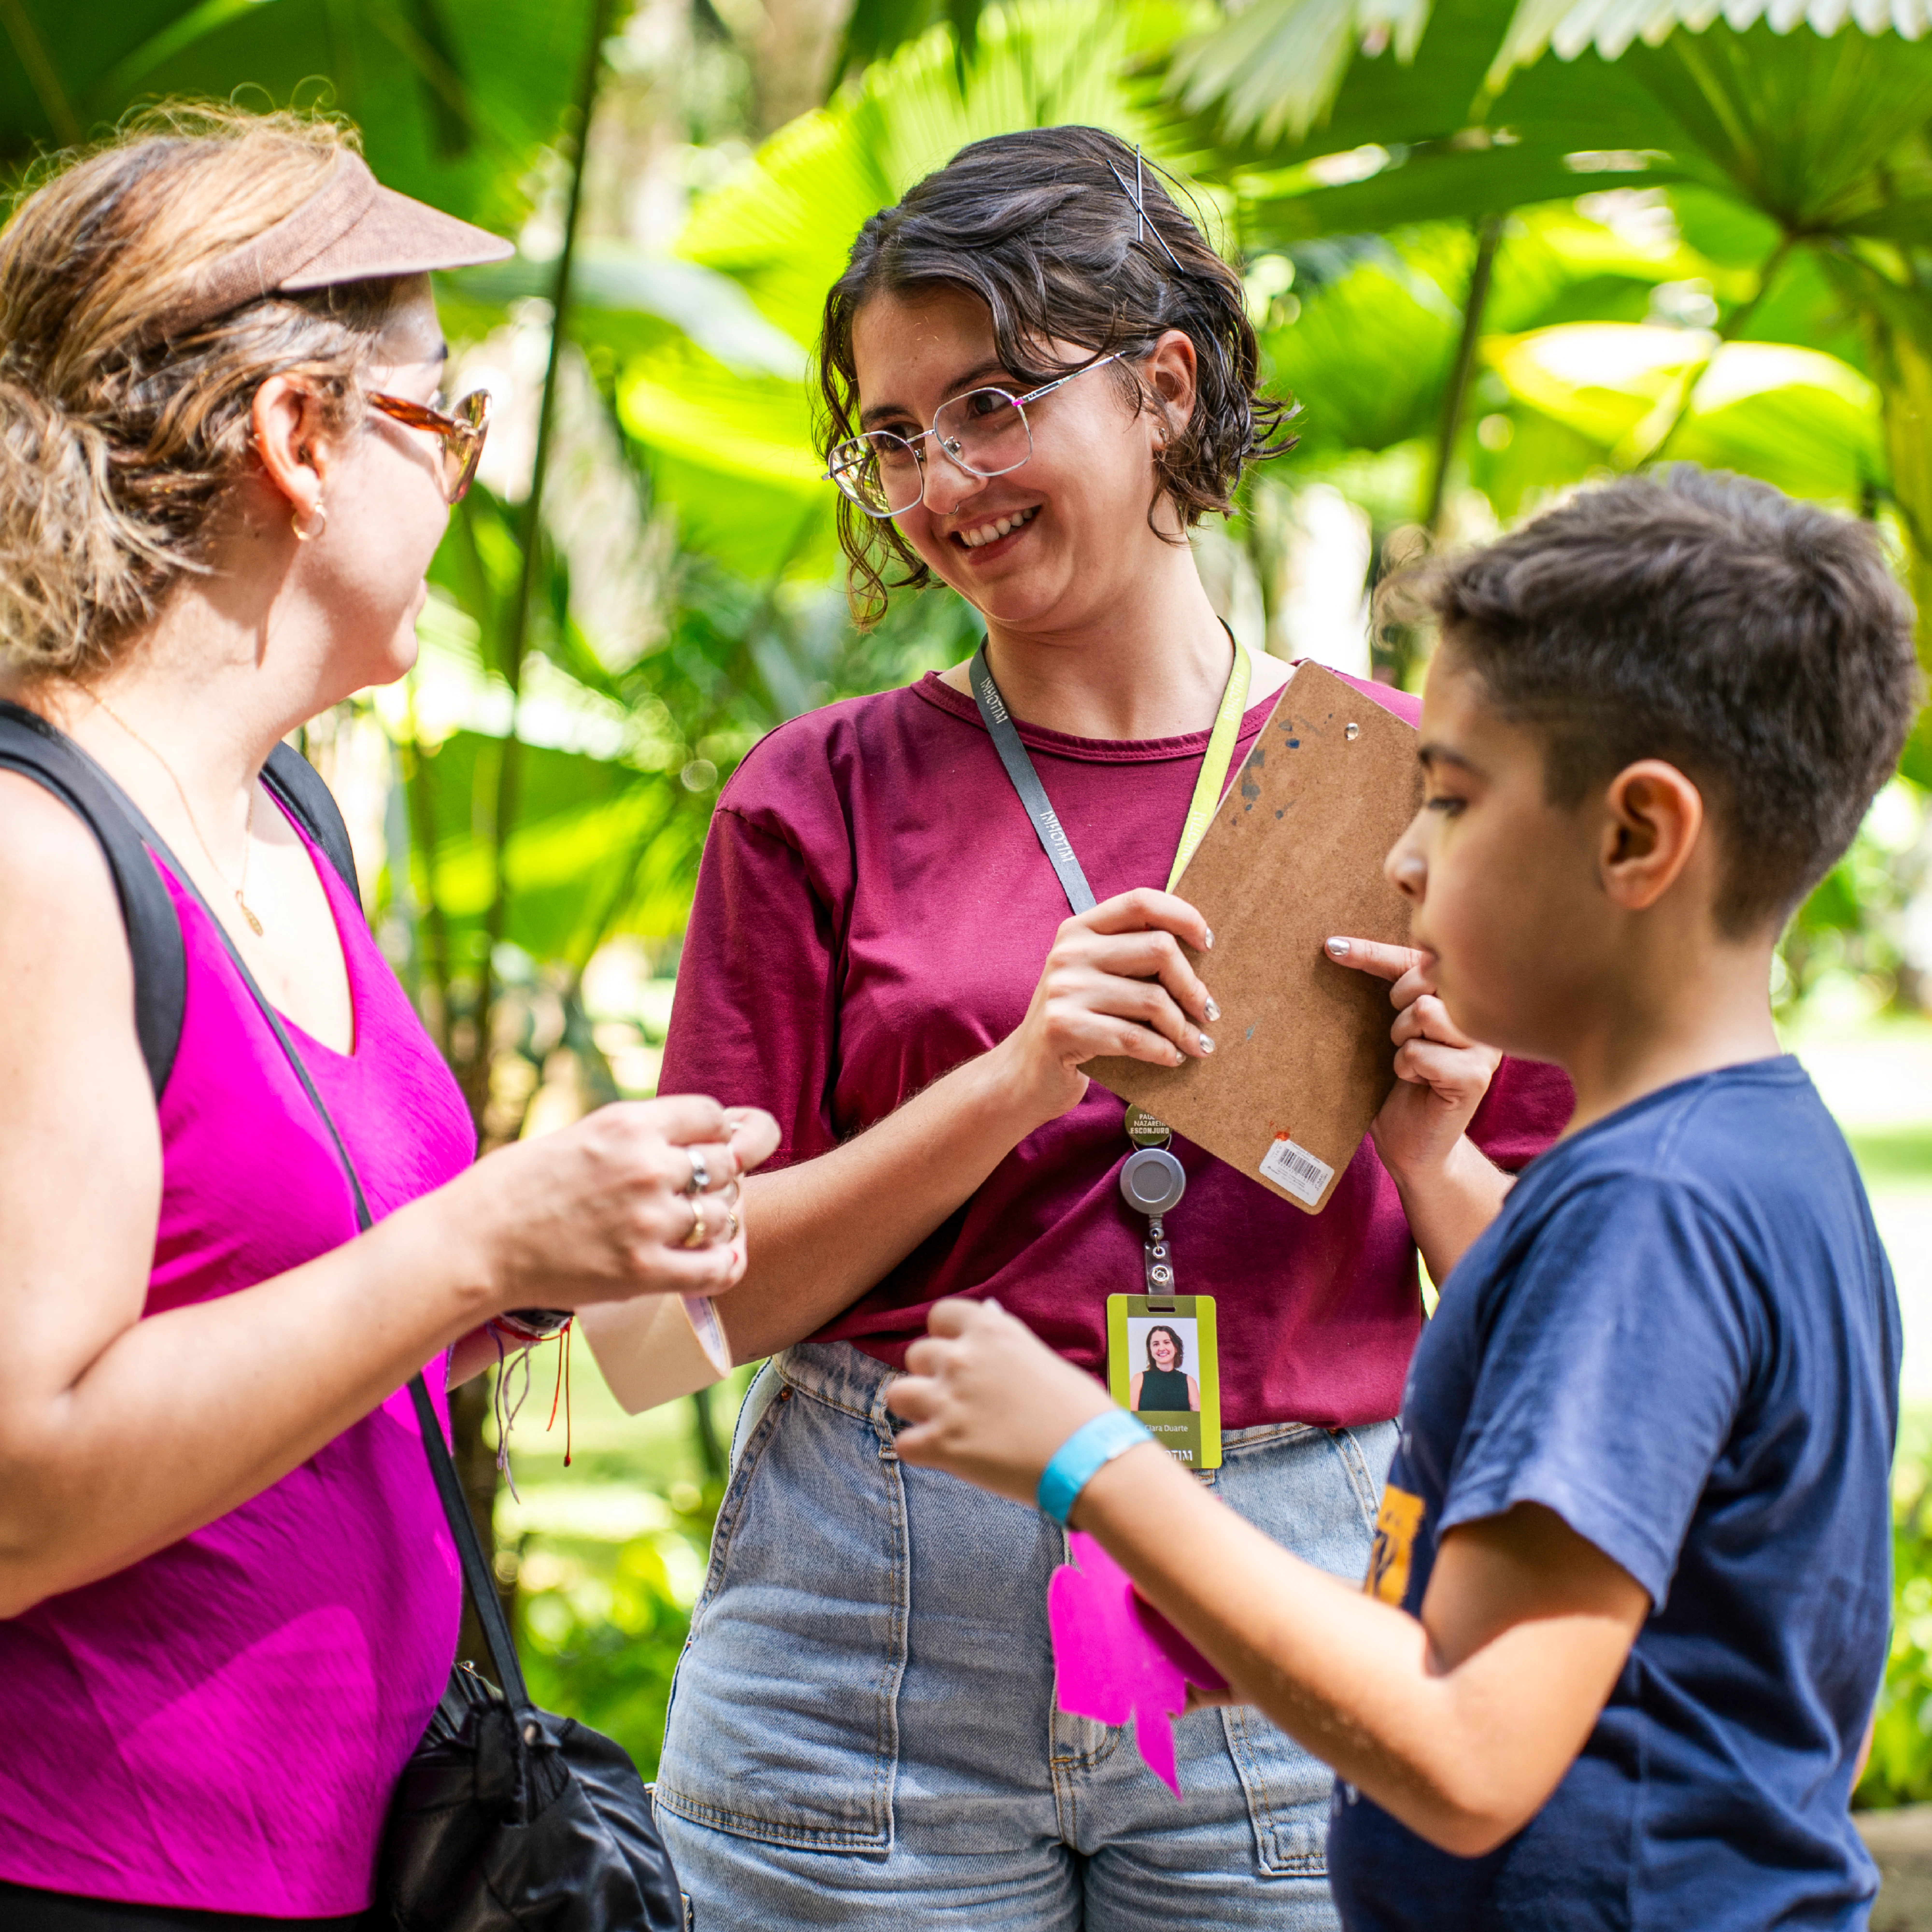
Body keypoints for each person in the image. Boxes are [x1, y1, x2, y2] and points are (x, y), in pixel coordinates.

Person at [649, 124, 1572, 1929]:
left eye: (990, 401)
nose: (937, 479)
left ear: (1161, 387)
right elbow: (707, 1302)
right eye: (892, 434)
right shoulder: (809, 797)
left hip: (1288, 1595)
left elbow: (1552, 1323)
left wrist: (1432, 1151)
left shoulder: (1412, 784)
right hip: (871, 1626)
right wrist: (1016, 1079)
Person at [887, 466, 1916, 1931]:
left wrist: (1088, 1459)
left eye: (1448, 796)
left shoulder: (1652, 1214)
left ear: (1636, 837)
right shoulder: (1747, 1157)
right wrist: (1428, 1157)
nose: (1401, 858)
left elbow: (1470, 1749)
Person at [0, 110, 778, 1928]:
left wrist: (537, 1264)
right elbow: (25, 1485)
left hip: (347, 1855)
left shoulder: (290, 817)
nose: (467, 482)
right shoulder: (40, 855)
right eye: (446, 423)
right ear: (298, 438)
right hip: (97, 1871)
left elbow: (269, 1301)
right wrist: (469, 1238)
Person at [1131, 1324, 1198, 1413]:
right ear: (1150, 1350)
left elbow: (1197, 1420)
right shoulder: (1139, 1380)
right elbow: (1130, 1419)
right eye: (1156, 1344)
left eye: (1167, 1343)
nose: (1162, 1348)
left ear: (1176, 1347)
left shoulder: (1189, 1381)